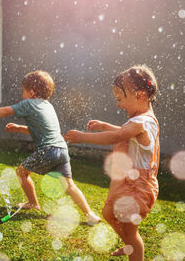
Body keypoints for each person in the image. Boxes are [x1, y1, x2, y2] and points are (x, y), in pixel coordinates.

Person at [0, 70, 101, 225]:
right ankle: (90, 214)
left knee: (21, 172)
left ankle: (33, 203)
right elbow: (42, 129)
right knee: (70, 186)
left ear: (31, 92)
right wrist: (20, 128)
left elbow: (5, 111)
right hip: (62, 150)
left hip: (48, 149)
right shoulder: (48, 106)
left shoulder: (29, 103)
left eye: (23, 90)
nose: (22, 94)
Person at [64, 65, 160, 260]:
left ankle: (133, 248)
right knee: (108, 212)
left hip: (138, 186)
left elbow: (120, 135)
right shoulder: (139, 121)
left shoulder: (145, 122)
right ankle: (129, 245)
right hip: (127, 181)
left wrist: (83, 137)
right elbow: (125, 132)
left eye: (120, 99)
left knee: (131, 232)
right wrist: (104, 126)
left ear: (140, 95)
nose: (118, 105)